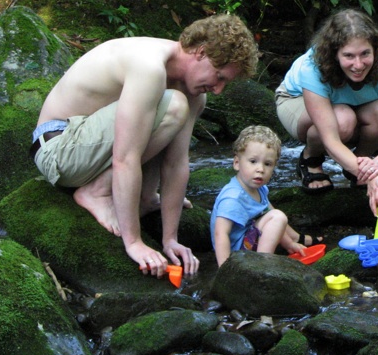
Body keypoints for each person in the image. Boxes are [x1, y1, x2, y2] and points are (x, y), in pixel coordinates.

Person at [31, 14, 258, 278]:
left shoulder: (193, 95)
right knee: (173, 105)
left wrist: (169, 239)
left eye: (225, 83)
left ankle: (146, 196)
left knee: (174, 106)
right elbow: (125, 158)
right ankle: (97, 191)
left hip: (87, 151)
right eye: (219, 76)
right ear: (201, 52)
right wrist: (134, 243)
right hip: (59, 148)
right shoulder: (150, 66)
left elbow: (176, 163)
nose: (218, 89)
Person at [275, 9, 378, 193]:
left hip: (352, 104)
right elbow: (330, 139)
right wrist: (372, 178)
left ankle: (359, 160)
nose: (358, 65)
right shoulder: (313, 67)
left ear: (375, 49)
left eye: (365, 54)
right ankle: (311, 159)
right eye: (349, 56)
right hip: (295, 100)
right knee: (343, 119)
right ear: (335, 54)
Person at [211, 125, 317, 266]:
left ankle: (262, 260)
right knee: (278, 216)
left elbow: (270, 217)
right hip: (235, 256)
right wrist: (224, 270)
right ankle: (263, 265)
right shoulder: (233, 198)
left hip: (246, 244)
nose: (260, 169)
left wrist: (289, 244)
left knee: (276, 216)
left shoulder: (260, 189)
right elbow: (220, 234)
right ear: (237, 163)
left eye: (267, 164)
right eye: (253, 161)